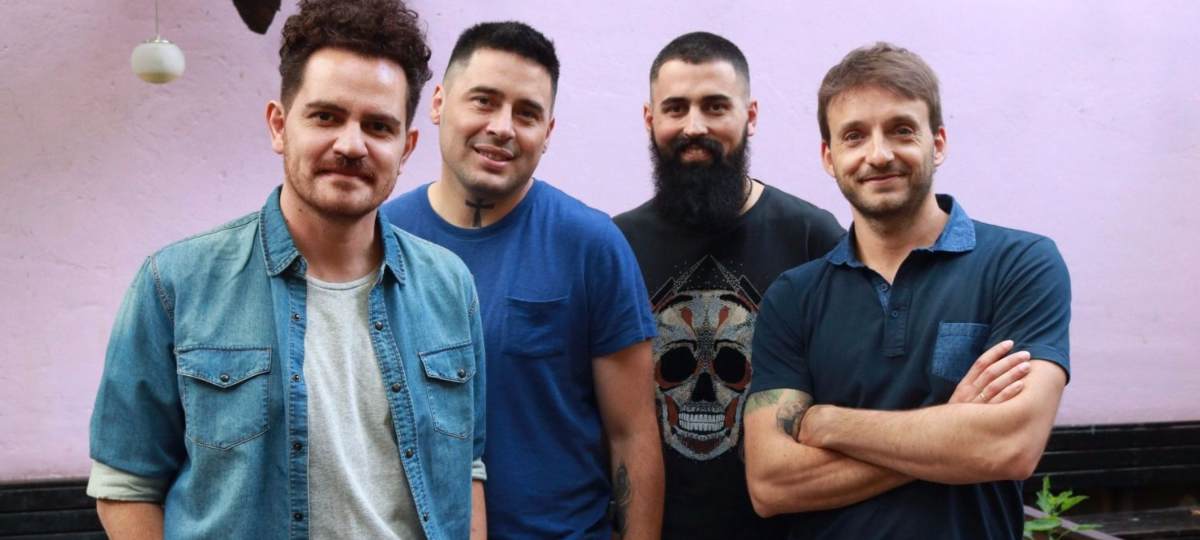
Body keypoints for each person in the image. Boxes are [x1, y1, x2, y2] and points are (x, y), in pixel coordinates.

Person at [87, 1, 487, 538]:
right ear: (280, 125)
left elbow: (466, 469)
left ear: (406, 147)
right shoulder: (175, 284)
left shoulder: (449, 285)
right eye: (326, 116)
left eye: (378, 126)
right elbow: (126, 487)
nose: (351, 144)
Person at [744, 42, 1071, 540]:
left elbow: (1010, 446)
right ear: (829, 157)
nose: (878, 155)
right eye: (855, 136)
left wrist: (828, 423)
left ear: (937, 143)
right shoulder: (794, 297)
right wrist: (953, 430)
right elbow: (771, 484)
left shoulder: (1020, 265)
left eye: (901, 129)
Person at [383, 21, 663, 540]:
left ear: (548, 133)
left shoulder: (591, 245)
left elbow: (632, 434)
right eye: (484, 101)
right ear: (439, 103)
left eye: (527, 113)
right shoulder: (382, 239)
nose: (502, 127)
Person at [612, 32, 843, 540]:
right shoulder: (615, 246)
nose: (694, 126)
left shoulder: (811, 237)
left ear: (750, 116)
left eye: (715, 106)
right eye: (676, 108)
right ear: (650, 119)